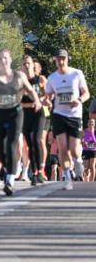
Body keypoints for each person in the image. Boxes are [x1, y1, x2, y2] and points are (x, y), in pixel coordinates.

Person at [0, 50, 42, 196]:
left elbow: (31, 90)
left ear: (10, 60)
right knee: (1, 149)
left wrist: (37, 101)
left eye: (6, 58)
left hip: (15, 112)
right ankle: (8, 170)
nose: (3, 61)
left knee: (12, 144)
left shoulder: (19, 76)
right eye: (0, 58)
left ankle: (9, 181)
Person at [43, 49, 90, 191]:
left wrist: (79, 100)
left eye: (63, 59)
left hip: (74, 115)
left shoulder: (76, 74)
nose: (61, 61)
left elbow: (86, 93)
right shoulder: (52, 78)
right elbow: (48, 96)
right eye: (58, 59)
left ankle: (78, 162)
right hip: (59, 115)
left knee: (74, 149)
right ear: (55, 60)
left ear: (67, 59)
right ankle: (67, 178)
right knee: (63, 148)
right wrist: (48, 102)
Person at [20, 54, 47, 186]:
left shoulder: (40, 79)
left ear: (32, 65)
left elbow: (47, 96)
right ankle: (34, 171)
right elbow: (17, 102)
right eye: (24, 64)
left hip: (38, 113)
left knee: (36, 139)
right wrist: (31, 104)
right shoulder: (20, 82)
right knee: (30, 144)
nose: (26, 66)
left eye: (28, 63)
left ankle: (39, 171)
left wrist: (40, 101)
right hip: (25, 114)